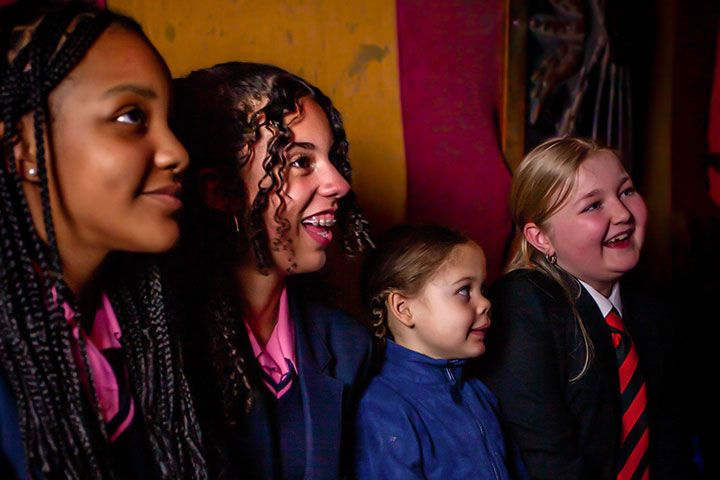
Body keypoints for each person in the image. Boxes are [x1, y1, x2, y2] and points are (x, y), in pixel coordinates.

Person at [0, 2, 207, 478]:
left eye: (169, 120)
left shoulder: (149, 332)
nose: (177, 152)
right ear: (26, 148)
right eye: (131, 117)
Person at [172, 62, 375, 479]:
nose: (339, 183)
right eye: (300, 161)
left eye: (331, 158)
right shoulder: (159, 350)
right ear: (221, 192)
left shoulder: (349, 346)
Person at [480, 137, 694, 479]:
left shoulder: (657, 310)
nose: (623, 213)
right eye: (593, 205)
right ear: (541, 238)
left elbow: (672, 446)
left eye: (627, 191)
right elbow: (551, 462)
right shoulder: (523, 306)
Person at [355, 224, 527, 479]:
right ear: (403, 308)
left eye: (483, 289)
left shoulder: (476, 391)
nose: (485, 303)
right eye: (464, 291)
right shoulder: (383, 410)